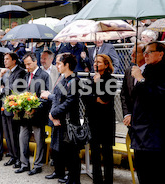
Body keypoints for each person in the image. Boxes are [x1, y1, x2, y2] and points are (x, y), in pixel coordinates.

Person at [41, 53, 82, 184]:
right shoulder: (63, 79)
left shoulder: (74, 80)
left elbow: (69, 101)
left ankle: (74, 179)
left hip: (69, 122)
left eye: (59, 63)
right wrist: (52, 115)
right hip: (59, 120)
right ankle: (67, 176)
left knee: (72, 154)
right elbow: (56, 99)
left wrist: (54, 113)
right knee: (61, 149)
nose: (57, 66)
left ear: (67, 65)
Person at [130, 41, 165, 184]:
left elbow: (158, 96)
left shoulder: (162, 72)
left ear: (161, 54)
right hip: (140, 132)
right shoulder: (147, 69)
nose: (146, 55)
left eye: (149, 52)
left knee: (153, 174)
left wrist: (141, 79)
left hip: (154, 135)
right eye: (144, 52)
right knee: (142, 173)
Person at [15, 52, 50, 176]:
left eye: (29, 64)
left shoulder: (44, 75)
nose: (27, 67)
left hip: (38, 113)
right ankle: (24, 164)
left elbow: (45, 95)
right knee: (22, 138)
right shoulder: (26, 75)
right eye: (25, 64)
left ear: (36, 62)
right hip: (25, 113)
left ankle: (38, 165)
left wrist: (35, 107)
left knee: (39, 140)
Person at [84, 54, 117, 184]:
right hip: (93, 118)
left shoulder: (111, 79)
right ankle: (97, 180)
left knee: (107, 152)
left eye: (99, 62)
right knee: (95, 151)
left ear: (106, 64)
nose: (95, 64)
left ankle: (108, 180)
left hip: (106, 120)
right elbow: (85, 99)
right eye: (94, 62)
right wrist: (95, 98)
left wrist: (98, 85)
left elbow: (105, 99)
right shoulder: (91, 78)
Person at [0, 53, 26, 168]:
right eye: (4, 59)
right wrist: (0, 78)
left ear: (14, 60)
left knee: (14, 134)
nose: (5, 61)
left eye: (7, 59)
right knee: (8, 135)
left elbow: (12, 89)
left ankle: (18, 159)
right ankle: (12, 156)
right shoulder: (6, 73)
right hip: (4, 107)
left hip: (13, 108)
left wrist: (2, 90)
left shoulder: (20, 72)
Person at [120, 42, 146, 127]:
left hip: (145, 122)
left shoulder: (152, 71)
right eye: (132, 52)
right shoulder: (129, 71)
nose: (132, 55)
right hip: (130, 122)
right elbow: (124, 94)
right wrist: (127, 114)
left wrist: (141, 78)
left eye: (136, 52)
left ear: (145, 54)